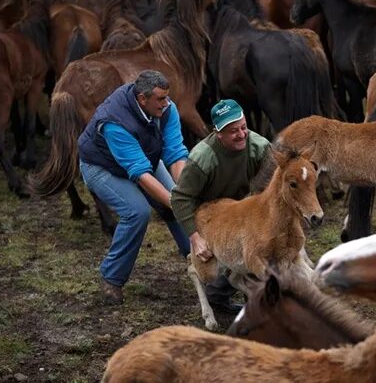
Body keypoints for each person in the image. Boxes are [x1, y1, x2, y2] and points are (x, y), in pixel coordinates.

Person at [78, 70, 190, 305]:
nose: (166, 103)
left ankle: (197, 256)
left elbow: (175, 153)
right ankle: (112, 279)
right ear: (142, 99)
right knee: (137, 211)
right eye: (160, 99)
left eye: (167, 97)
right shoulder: (114, 122)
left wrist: (184, 193)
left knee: (177, 202)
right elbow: (139, 174)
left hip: (143, 158)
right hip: (102, 166)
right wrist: (177, 201)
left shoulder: (167, 109)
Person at [171, 99, 271, 314]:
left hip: (246, 210)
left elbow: (271, 187)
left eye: (244, 127)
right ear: (218, 133)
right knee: (219, 273)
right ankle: (230, 296)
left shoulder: (260, 147)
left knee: (259, 249)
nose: (242, 134)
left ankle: (255, 304)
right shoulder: (202, 158)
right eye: (233, 131)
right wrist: (195, 237)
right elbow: (180, 198)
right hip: (213, 215)